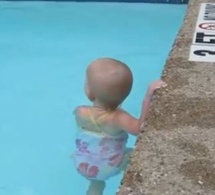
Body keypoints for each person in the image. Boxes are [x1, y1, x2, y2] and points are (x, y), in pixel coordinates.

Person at [73, 58, 167, 195]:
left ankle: (95, 188)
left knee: (97, 179)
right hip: (108, 167)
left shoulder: (80, 112)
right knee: (135, 154)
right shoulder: (118, 118)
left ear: (89, 92)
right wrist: (148, 97)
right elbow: (140, 128)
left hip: (83, 163)